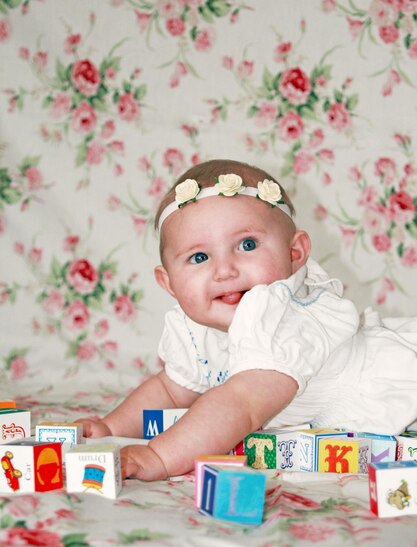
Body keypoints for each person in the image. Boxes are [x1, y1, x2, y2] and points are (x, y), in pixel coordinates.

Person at [77, 158, 417, 481]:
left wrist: (160, 456)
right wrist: (111, 428)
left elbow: (241, 404)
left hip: (397, 387)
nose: (225, 270)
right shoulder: (194, 328)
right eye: (199, 257)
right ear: (169, 283)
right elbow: (169, 389)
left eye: (247, 244)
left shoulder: (279, 317)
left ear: (294, 253)